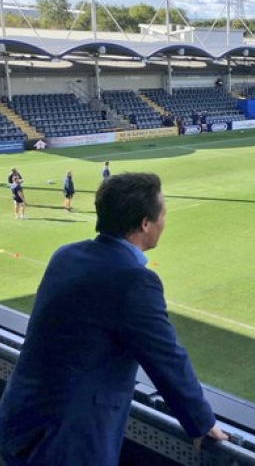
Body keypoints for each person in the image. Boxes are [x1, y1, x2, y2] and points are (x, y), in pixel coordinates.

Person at [0, 173, 228, 465]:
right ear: (146, 224)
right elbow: (167, 358)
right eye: (163, 214)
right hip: (68, 440)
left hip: (20, 417)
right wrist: (202, 421)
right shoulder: (134, 281)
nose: (165, 221)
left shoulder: (65, 255)